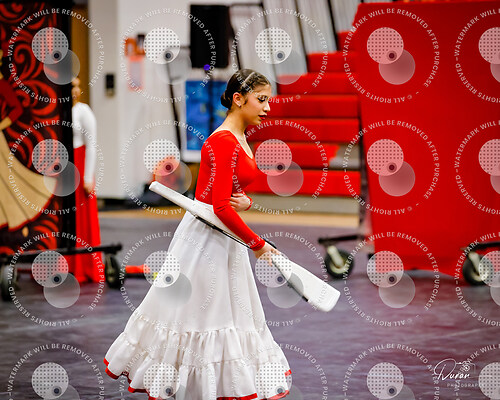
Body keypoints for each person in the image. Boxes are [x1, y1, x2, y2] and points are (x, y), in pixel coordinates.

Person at [104, 69, 291, 399]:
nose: (267, 107)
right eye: (261, 99)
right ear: (238, 99)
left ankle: (211, 388)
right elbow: (219, 207)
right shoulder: (223, 141)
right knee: (201, 317)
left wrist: (246, 202)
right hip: (206, 239)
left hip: (224, 237)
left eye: (268, 100)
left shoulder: (239, 136)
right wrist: (258, 244)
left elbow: (228, 196)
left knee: (224, 315)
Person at [66, 77, 103, 283]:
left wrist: (88, 177)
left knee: (82, 220)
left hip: (80, 168)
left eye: (78, 86)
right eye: (72, 86)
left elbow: (92, 145)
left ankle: (84, 267)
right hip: (63, 169)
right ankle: (66, 265)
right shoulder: (58, 112)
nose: (76, 90)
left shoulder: (83, 111)